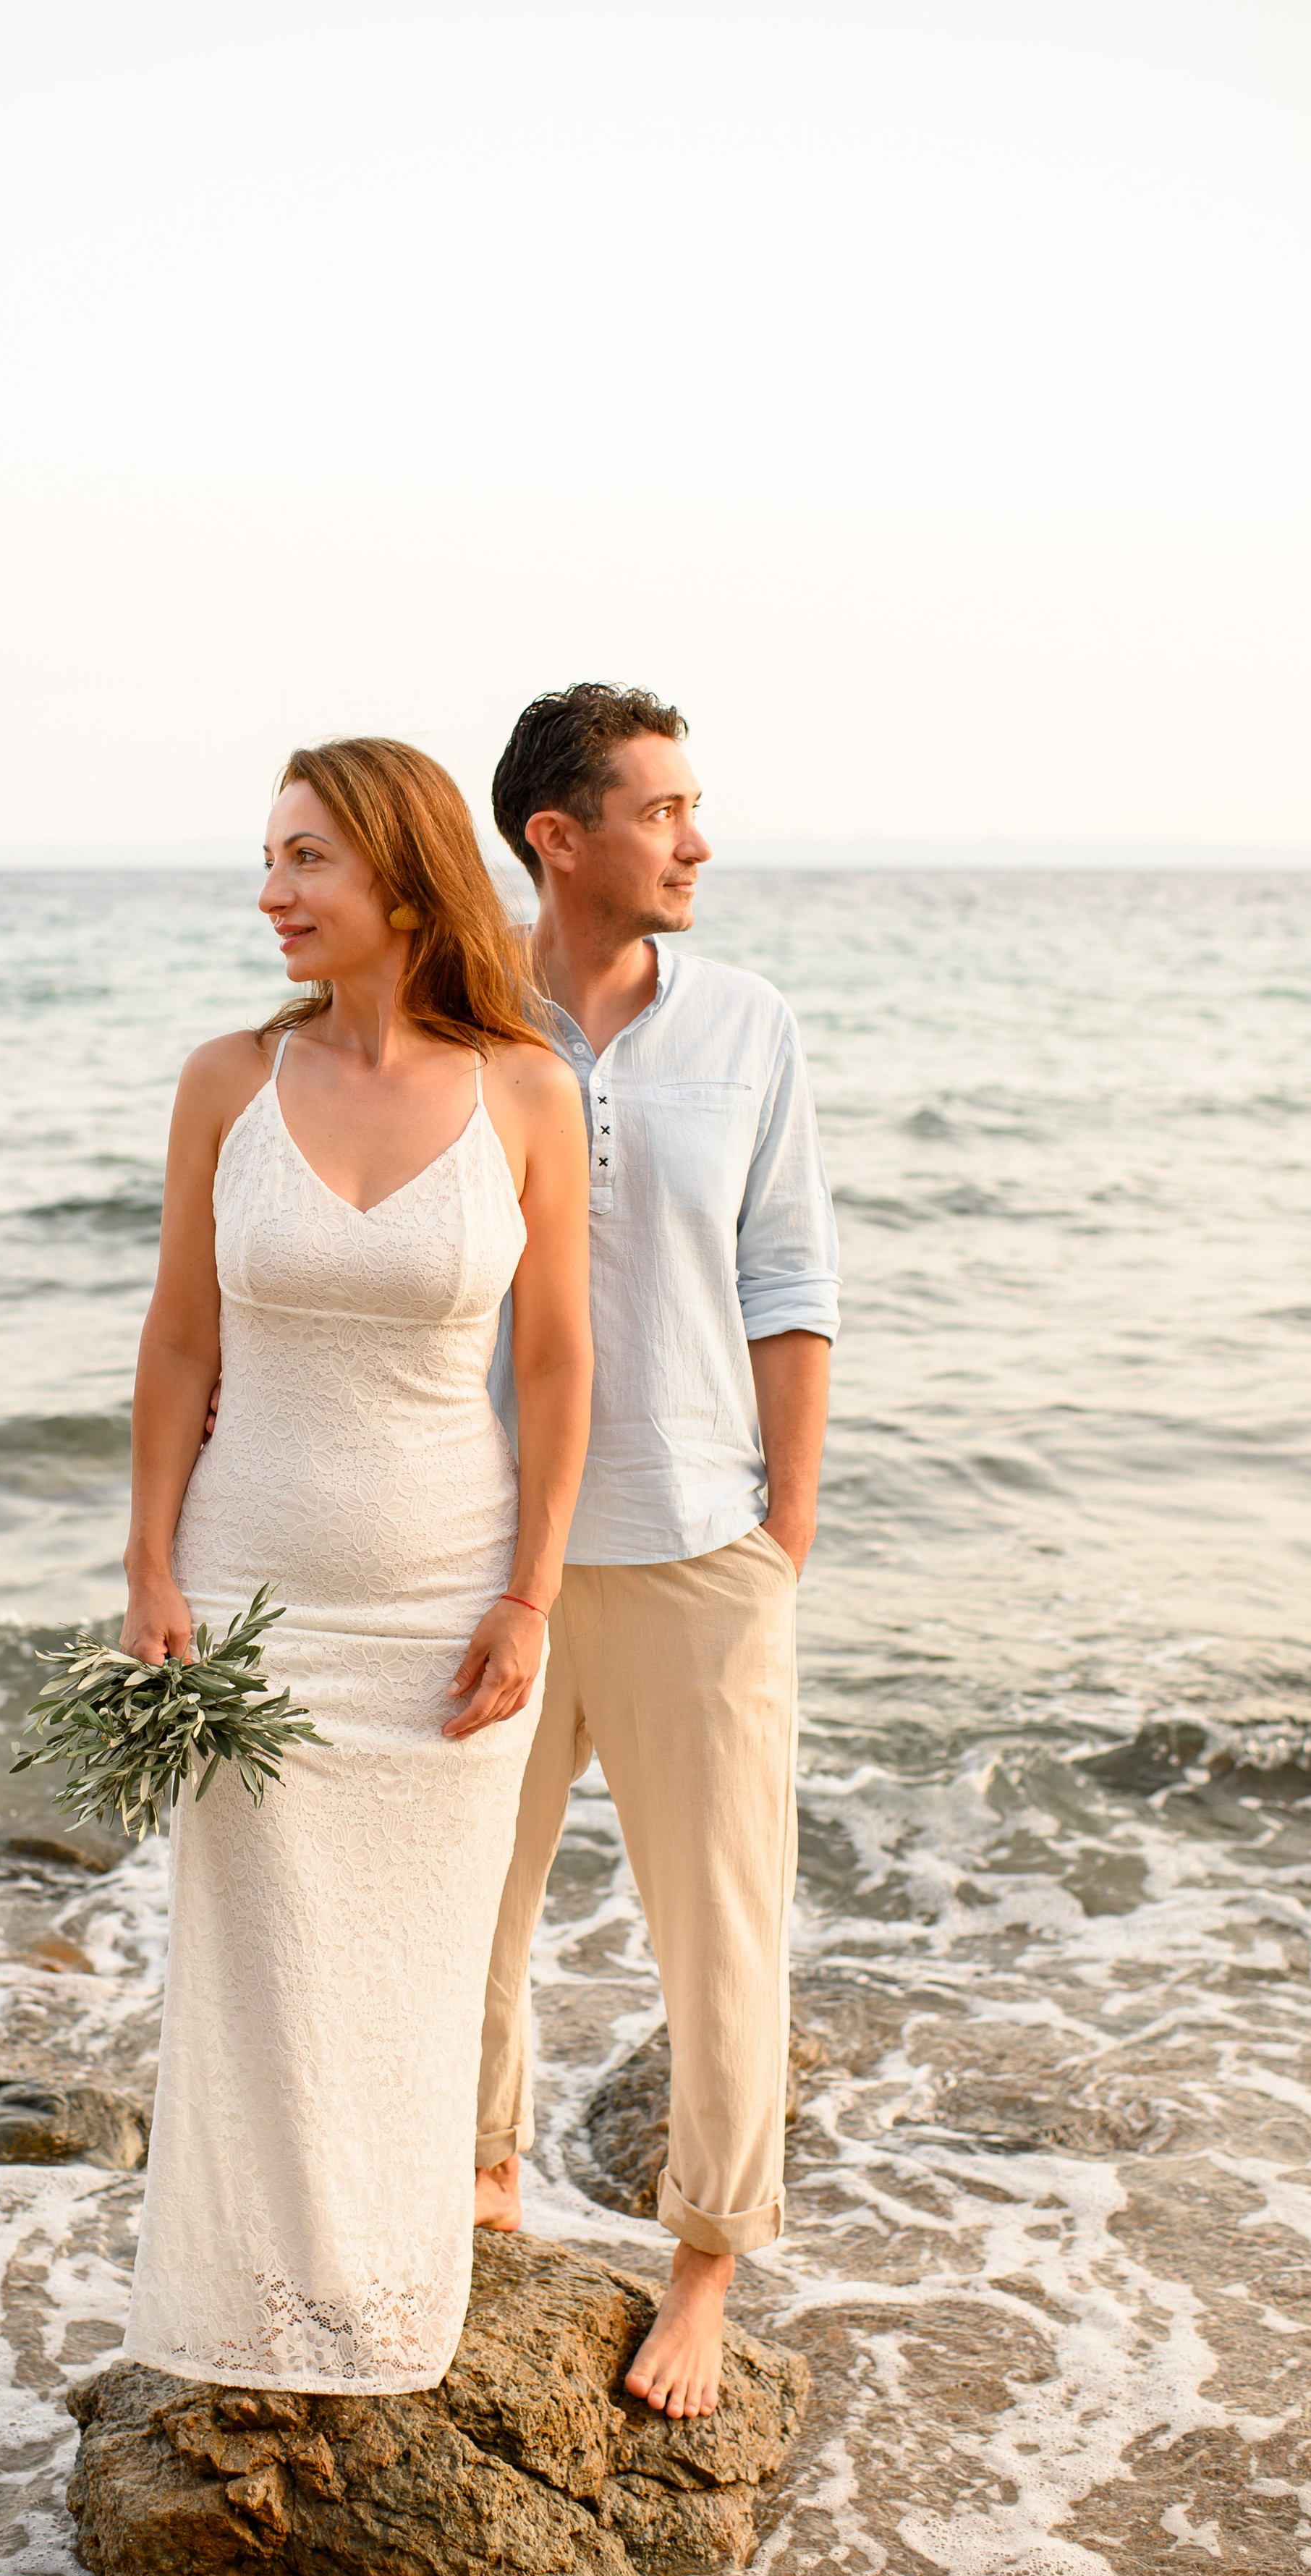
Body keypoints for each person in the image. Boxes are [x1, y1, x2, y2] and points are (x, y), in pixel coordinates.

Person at [119, 738, 591, 2391]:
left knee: (407, 1967)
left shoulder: (526, 1088)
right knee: (255, 1966)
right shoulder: (226, 1080)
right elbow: (180, 1340)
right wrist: (148, 1568)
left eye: (304, 858)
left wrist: (531, 1592)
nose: (271, 891)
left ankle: (386, 2305)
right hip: (250, 1593)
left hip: (445, 1608)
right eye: (267, 857)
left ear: (398, 874)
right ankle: (243, 2315)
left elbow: (553, 1370)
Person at [475, 684, 839, 2420]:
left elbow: (787, 1278)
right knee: (471, 1902)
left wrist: (786, 1518)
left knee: (720, 1928)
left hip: (699, 1548)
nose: (698, 840)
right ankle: (477, 2192)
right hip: (486, 1548)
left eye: (697, 807)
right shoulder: (460, 1014)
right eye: (664, 808)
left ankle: (703, 2263)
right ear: (559, 834)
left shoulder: (748, 1021)